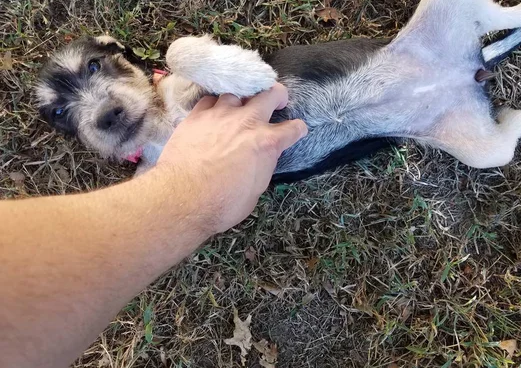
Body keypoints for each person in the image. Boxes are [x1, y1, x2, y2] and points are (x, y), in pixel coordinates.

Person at [0, 83, 307, 368]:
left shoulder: (177, 84)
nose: (104, 111)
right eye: (59, 113)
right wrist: (193, 190)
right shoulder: (144, 169)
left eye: (94, 67)